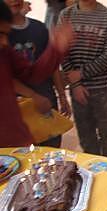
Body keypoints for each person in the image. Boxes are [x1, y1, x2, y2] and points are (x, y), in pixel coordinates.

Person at [0, 0, 73, 148]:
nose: (5, 42)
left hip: (16, 140)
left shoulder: (5, 52)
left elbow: (31, 73)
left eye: (6, 35)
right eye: (0, 34)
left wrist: (56, 49)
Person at [58, 0, 107, 158]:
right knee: (86, 134)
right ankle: (93, 167)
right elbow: (61, 51)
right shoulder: (66, 15)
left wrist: (81, 73)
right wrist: (76, 83)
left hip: (102, 88)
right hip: (77, 89)